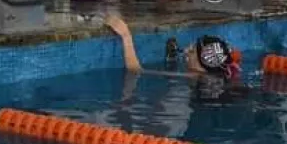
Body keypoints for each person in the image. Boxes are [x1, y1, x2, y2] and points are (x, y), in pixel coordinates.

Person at [104, 15, 250, 100]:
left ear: (201, 66)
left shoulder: (194, 76)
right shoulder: (225, 74)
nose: (186, 50)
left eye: (192, 51)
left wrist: (126, 36)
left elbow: (135, 70)